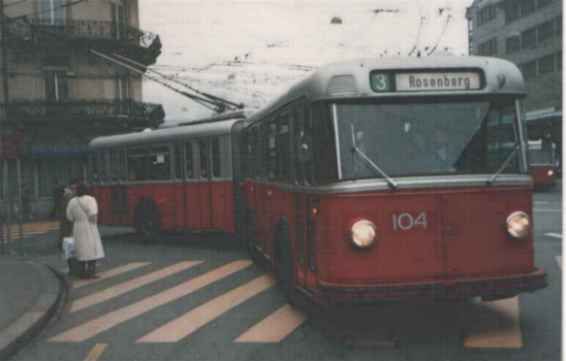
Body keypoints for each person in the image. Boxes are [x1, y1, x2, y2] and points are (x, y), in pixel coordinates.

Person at [66, 183, 105, 278]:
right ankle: (91, 272)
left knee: (80, 248)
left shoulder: (72, 201)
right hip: (89, 226)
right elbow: (93, 216)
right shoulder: (91, 200)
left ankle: (81, 271)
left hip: (77, 227)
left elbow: (69, 217)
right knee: (92, 248)